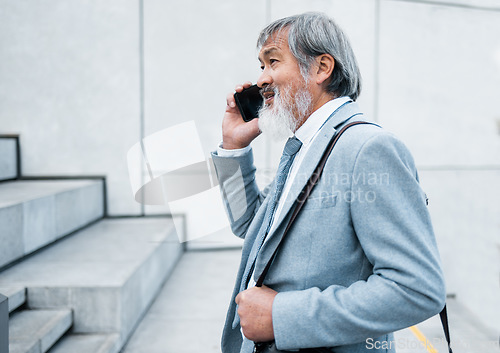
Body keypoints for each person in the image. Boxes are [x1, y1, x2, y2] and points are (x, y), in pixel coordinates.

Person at [211, 12, 446, 353]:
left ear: (322, 68)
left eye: (272, 62)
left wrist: (283, 316)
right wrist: (233, 146)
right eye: (260, 66)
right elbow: (252, 226)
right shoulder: (305, 144)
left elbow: (416, 289)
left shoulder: (368, 149)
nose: (261, 79)